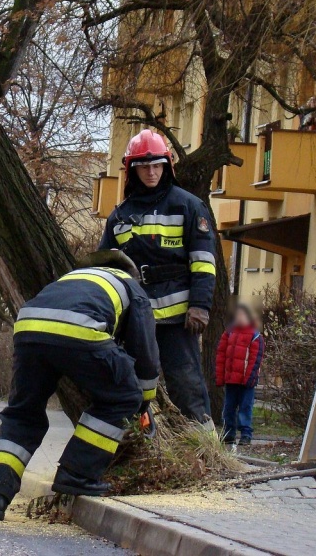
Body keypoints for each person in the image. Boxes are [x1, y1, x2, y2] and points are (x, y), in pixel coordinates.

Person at [0, 251, 160, 521]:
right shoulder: (132, 287)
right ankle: (77, 474)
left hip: (28, 328)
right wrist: (143, 402)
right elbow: (145, 356)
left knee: (23, 413)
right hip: (81, 329)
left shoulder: (71, 279)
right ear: (131, 273)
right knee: (123, 396)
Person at [99, 129, 216, 428]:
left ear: (167, 165)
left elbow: (203, 262)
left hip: (179, 319)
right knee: (135, 387)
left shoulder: (189, 206)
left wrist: (200, 306)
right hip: (137, 318)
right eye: (143, 166)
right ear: (132, 170)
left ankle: (205, 448)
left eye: (156, 165)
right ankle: (140, 447)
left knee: (186, 384)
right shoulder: (119, 216)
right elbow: (105, 269)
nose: (151, 172)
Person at [215, 304, 264, 446]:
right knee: (229, 407)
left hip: (246, 380)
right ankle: (229, 433)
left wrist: (250, 378)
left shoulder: (255, 336)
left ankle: (246, 434)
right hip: (231, 380)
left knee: (245, 407)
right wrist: (220, 377)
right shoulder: (229, 333)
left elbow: (256, 359)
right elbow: (221, 356)